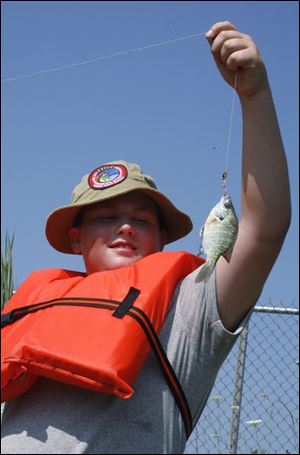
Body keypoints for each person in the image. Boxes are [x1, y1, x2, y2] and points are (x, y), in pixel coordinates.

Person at [1, 20, 291, 454]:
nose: (125, 226)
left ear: (160, 241)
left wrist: (255, 96)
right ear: (75, 239)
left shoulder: (191, 307)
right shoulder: (33, 302)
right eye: (106, 217)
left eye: (142, 219)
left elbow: (265, 230)